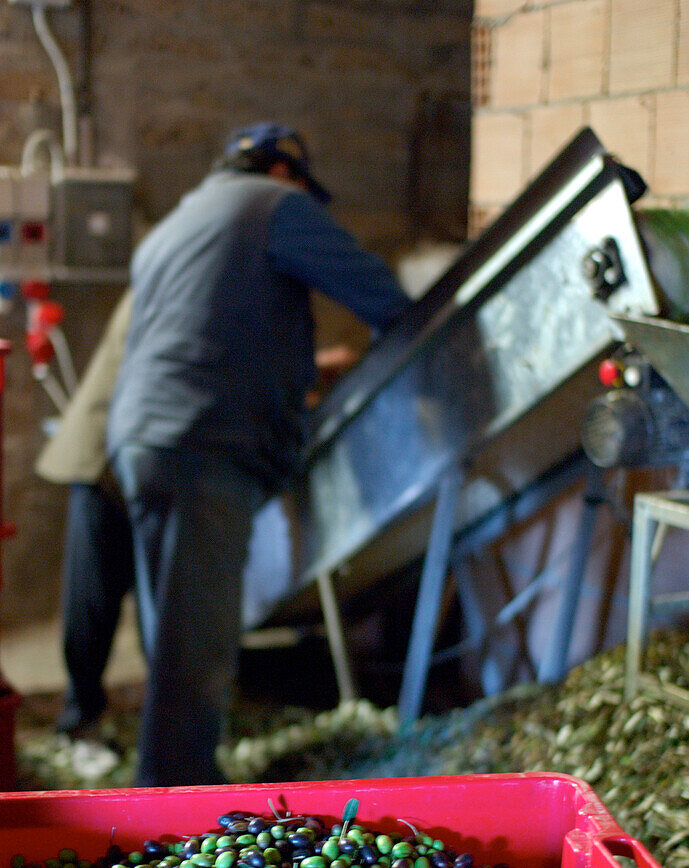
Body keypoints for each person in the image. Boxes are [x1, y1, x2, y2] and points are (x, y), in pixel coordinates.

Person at [106, 122, 411, 787]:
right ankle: (178, 812)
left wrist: (300, 368)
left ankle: (165, 787)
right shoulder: (273, 205)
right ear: (281, 172)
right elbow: (375, 292)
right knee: (201, 646)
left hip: (143, 438)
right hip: (204, 444)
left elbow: (209, 326)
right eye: (303, 187)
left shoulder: (178, 221)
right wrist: (420, 351)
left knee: (172, 638)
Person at [35, 289, 137, 736]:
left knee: (108, 599)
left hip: (133, 458)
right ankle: (79, 722)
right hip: (104, 455)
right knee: (92, 601)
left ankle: (91, 718)